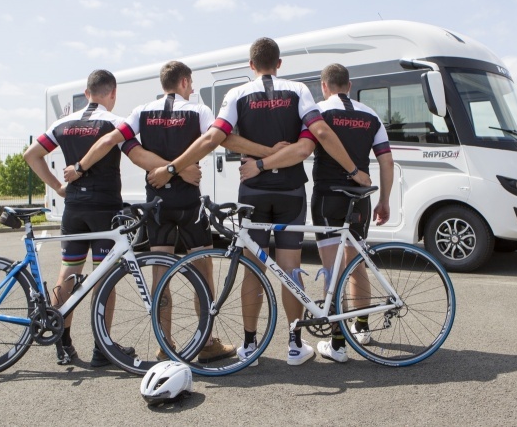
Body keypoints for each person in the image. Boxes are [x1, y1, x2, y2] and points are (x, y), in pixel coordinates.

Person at [148, 38, 368, 366]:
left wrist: (173, 168)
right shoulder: (298, 90)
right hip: (290, 191)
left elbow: (216, 137)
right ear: (279, 63)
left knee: (253, 269)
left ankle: (250, 344)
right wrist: (353, 170)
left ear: (251, 65)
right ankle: (295, 346)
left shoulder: (237, 93)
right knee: (291, 269)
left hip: (252, 191)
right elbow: (317, 136)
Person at [65, 61, 278, 363]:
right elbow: (221, 138)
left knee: (160, 272)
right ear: (184, 82)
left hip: (157, 204)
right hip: (189, 204)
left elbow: (113, 141)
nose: (192, 89)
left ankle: (165, 344)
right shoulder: (198, 110)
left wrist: (79, 167)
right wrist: (269, 152)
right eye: (191, 84)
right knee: (203, 270)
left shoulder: (141, 111)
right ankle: (206, 343)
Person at [24, 69, 133, 367]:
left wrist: (58, 187)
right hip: (104, 207)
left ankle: (62, 343)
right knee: (104, 278)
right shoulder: (114, 122)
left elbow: (31, 155)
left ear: (86, 93)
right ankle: (102, 348)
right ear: (113, 93)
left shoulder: (62, 123)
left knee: (68, 272)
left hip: (73, 206)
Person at [306, 63, 394, 363]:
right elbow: (386, 161)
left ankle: (338, 344)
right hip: (361, 198)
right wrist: (384, 200)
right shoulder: (371, 115)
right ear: (350, 85)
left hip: (327, 197)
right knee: (356, 264)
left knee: (333, 270)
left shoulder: (319, 111)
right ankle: (362, 328)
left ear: (324, 86)